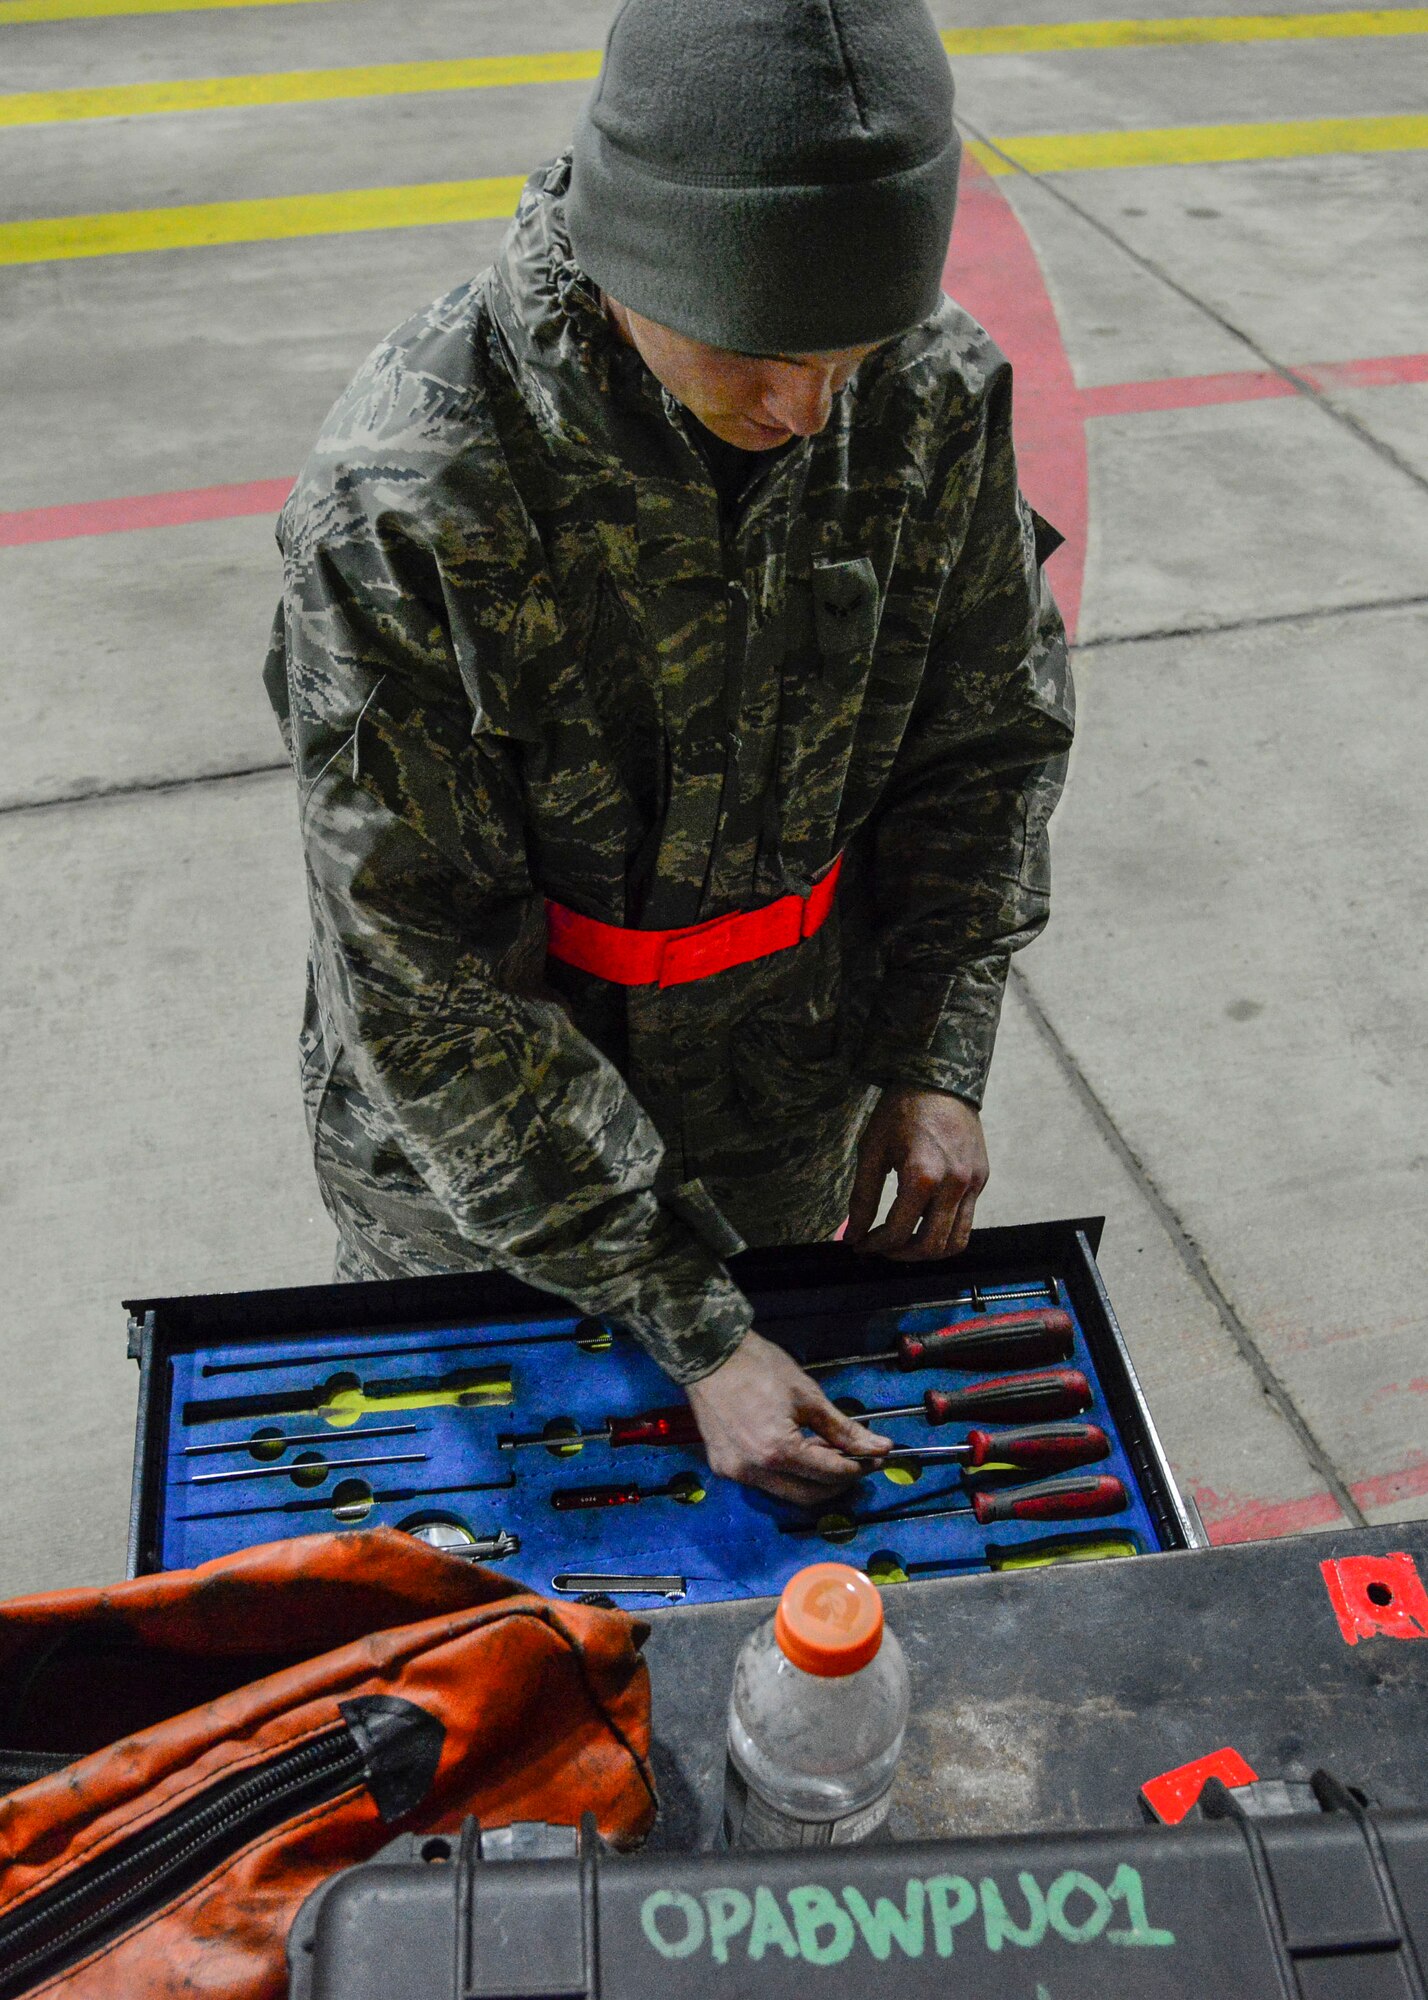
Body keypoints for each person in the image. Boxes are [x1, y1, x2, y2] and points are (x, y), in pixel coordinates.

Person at [263, 0, 1074, 1507]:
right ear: (638, 251)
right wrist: (689, 1322)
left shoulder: (931, 391)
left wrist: (929, 1050)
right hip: (481, 1193)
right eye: (760, 350)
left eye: (856, 348)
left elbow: (984, 745)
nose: (809, 407)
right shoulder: (415, 493)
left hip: (780, 1113)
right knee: (486, 1561)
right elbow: (420, 977)